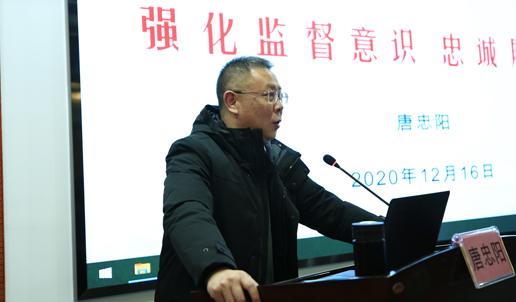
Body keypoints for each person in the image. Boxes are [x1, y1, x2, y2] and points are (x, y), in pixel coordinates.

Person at [155, 56, 381, 302]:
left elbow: (332, 212)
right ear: (232, 102)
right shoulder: (193, 151)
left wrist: (394, 230)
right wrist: (216, 267)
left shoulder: (277, 161)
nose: (280, 105)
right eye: (270, 95)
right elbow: (187, 211)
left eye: (280, 96)